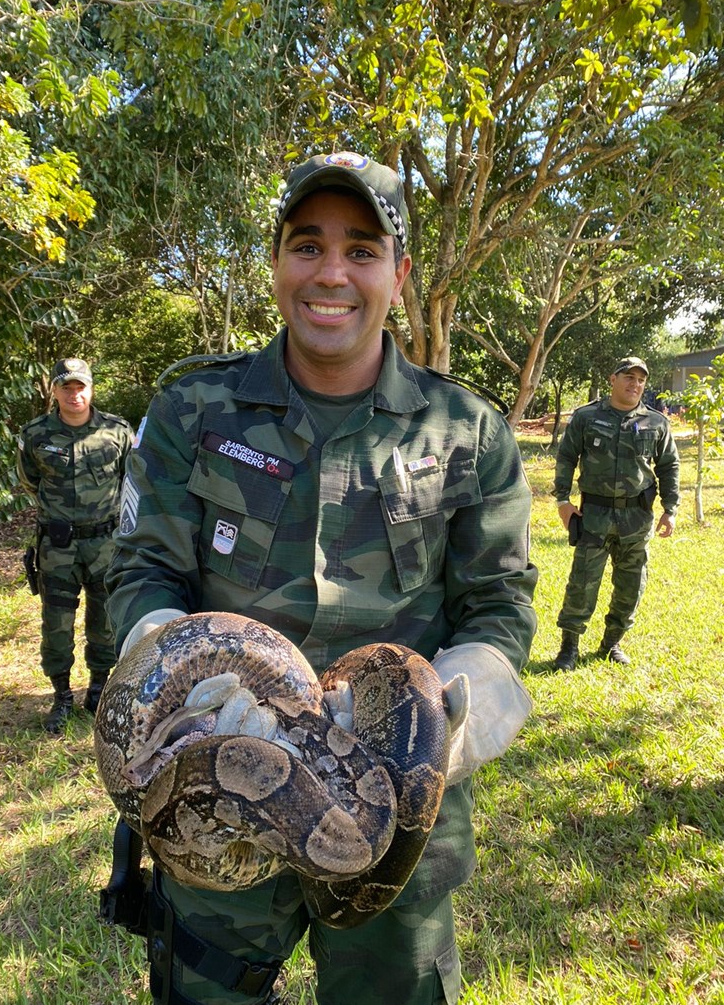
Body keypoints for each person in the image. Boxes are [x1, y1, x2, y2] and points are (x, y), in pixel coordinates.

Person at [105, 150, 537, 1005]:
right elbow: (143, 567)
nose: (331, 273)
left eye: (362, 249)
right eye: (307, 245)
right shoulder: (192, 410)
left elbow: (497, 606)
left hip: (394, 809)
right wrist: (163, 653)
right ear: (275, 264)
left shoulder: (467, 429)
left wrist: (468, 699)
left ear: (399, 274)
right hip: (214, 784)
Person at [17, 358, 132, 733]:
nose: (75, 394)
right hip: (58, 546)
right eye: (66, 387)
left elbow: (130, 479)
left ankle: (98, 687)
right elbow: (31, 480)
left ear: (91, 388)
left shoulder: (116, 432)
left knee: (105, 620)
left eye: (81, 386)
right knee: (56, 624)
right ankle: (62, 695)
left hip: (105, 543)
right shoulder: (35, 434)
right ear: (54, 391)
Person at [552, 356, 680, 670]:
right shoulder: (586, 417)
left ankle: (611, 644)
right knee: (582, 583)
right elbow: (567, 457)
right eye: (629, 377)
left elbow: (669, 466)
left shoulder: (656, 423)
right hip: (593, 515)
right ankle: (569, 648)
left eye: (640, 380)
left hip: (636, 519)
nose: (635, 384)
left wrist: (670, 509)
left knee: (631, 585)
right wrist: (562, 501)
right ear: (613, 379)